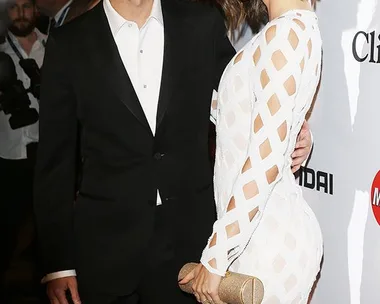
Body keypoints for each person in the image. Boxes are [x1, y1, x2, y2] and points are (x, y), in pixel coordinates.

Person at [34, 0, 313, 303]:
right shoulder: (69, 44)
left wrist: (296, 131)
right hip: (105, 248)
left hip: (188, 250)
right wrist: (57, 264)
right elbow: (55, 162)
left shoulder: (201, 23)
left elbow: (246, 96)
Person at [180, 0, 323, 303]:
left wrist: (217, 255)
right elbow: (242, 125)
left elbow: (264, 159)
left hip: (267, 243)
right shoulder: (284, 30)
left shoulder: (288, 33)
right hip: (255, 237)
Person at [0, 0, 46, 297]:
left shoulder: (54, 45)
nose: (20, 12)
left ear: (35, 10)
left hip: (49, 149)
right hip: (8, 151)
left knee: (47, 225)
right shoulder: (0, 52)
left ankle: (43, 285)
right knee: (7, 223)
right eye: (13, 6)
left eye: (25, 6)